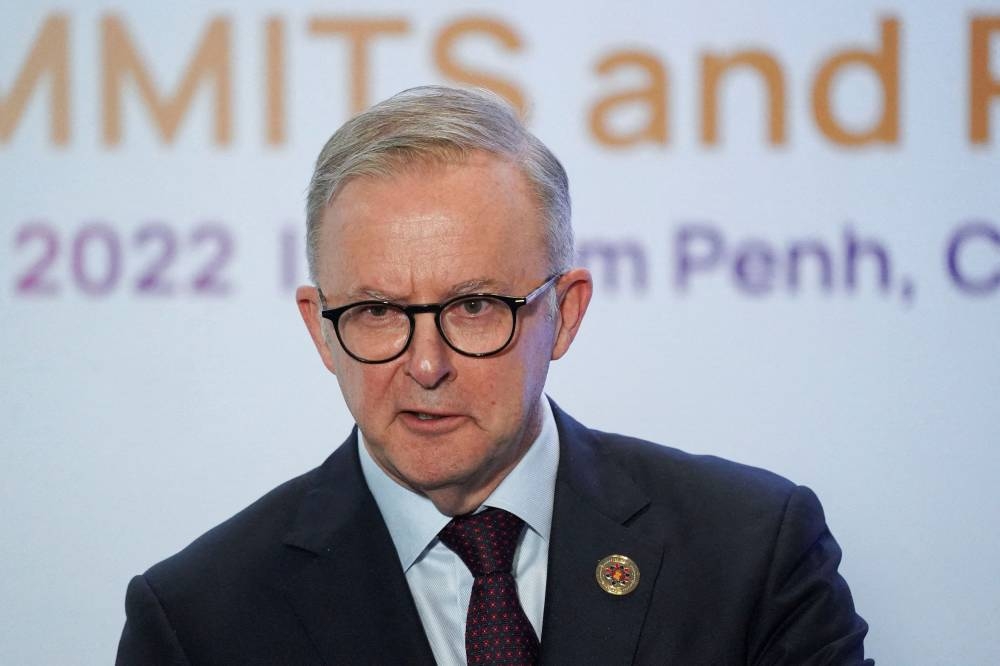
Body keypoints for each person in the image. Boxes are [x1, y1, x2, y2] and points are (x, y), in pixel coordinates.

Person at [116, 85, 873, 665]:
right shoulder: (199, 621)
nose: (425, 364)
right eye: (377, 311)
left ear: (566, 314)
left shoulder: (749, 554)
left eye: (474, 306)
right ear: (321, 329)